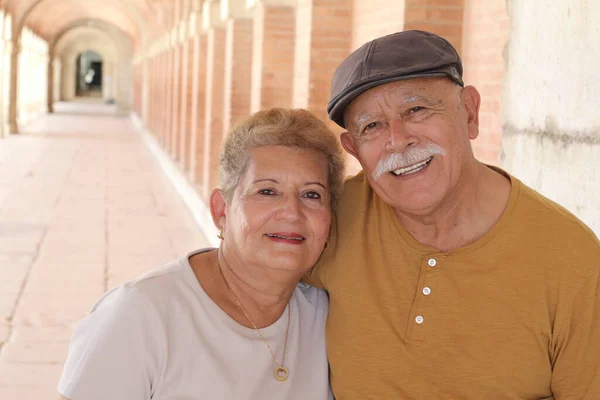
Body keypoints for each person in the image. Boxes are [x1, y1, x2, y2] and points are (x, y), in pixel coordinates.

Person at [307, 30, 600, 399]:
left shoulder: (573, 260)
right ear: (354, 149)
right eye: (372, 126)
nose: (397, 140)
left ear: (470, 112)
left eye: (416, 109)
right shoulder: (327, 219)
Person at [58, 108, 345, 399]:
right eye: (267, 191)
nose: (292, 213)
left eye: (312, 194)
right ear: (221, 210)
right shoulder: (142, 315)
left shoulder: (325, 315)